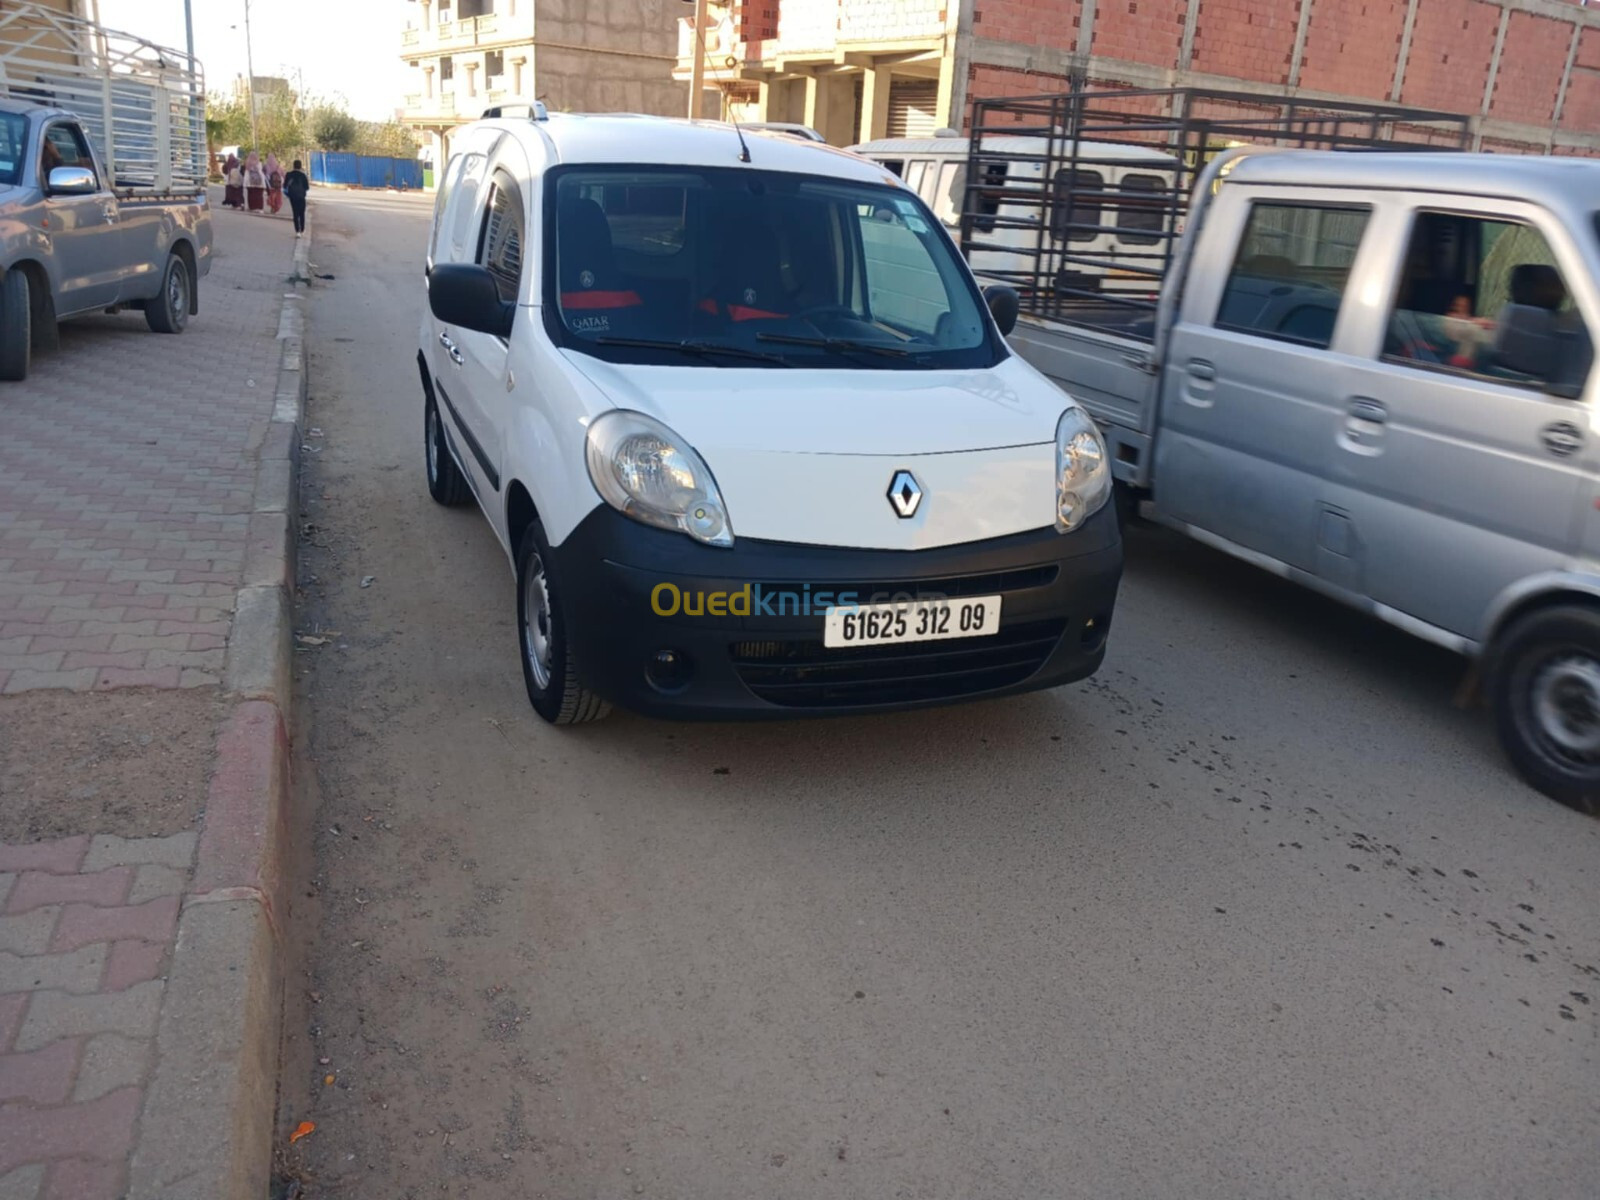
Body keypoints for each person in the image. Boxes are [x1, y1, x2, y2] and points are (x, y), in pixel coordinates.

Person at [282, 159, 310, 237]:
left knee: (295, 213)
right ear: (300, 166)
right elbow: (307, 187)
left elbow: (284, 186)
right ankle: (302, 229)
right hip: (301, 197)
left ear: (293, 166)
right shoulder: (303, 175)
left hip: (292, 197)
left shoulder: (289, 174)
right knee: (302, 213)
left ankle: (297, 231)